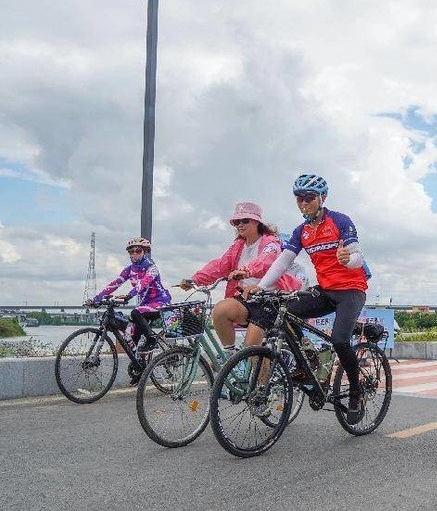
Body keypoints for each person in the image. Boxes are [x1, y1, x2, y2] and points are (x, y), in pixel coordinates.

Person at [244, 173, 369, 425]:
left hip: (352, 289)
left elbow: (356, 257)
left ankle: (356, 391)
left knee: (339, 340)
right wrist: (262, 286)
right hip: (325, 290)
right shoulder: (302, 231)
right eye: (299, 198)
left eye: (309, 198)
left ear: (322, 198)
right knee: (284, 311)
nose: (303, 203)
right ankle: (308, 357)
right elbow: (283, 261)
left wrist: (348, 258)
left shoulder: (340, 221)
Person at [179, 202, 303, 356]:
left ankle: (262, 380)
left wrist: (246, 271)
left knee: (251, 348)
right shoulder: (237, 246)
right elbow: (220, 265)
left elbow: (267, 260)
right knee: (219, 311)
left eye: (245, 220)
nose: (240, 225)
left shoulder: (270, 242)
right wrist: (195, 279)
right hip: (245, 298)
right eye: (236, 222)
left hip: (268, 300)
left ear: (257, 221)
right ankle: (231, 357)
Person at [90, 238, 171, 384]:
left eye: (138, 251)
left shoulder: (151, 267)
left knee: (135, 313)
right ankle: (141, 369)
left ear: (145, 252)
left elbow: (143, 283)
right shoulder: (129, 269)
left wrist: (129, 295)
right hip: (144, 306)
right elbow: (115, 283)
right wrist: (96, 298)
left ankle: (152, 339)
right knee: (132, 339)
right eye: (131, 251)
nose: (134, 254)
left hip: (160, 302)